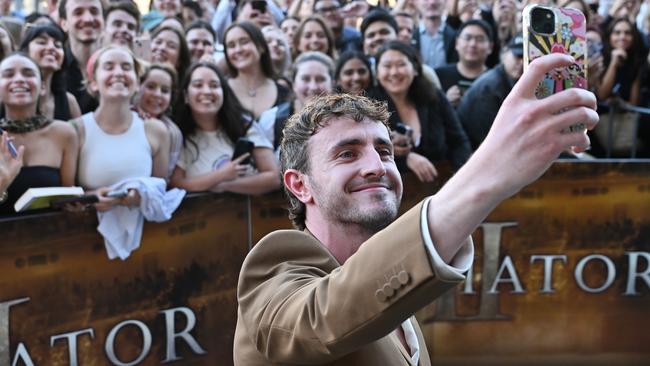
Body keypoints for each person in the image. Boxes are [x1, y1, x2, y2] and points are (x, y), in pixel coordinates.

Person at [233, 53, 599, 365]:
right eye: (347, 153)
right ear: (299, 184)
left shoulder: (397, 305)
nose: (376, 166)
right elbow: (319, 321)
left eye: (385, 151)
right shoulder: (274, 267)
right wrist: (491, 169)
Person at [73, 46, 170, 211]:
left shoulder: (157, 131)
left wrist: (141, 196)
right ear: (93, 83)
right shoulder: (76, 130)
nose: (118, 73)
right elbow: (65, 195)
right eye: (109, 67)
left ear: (138, 83)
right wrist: (91, 197)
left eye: (126, 67)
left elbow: (160, 189)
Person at [170, 62, 280, 194]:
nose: (207, 91)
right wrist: (221, 174)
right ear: (186, 96)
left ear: (224, 93)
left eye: (214, 85)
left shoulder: (243, 125)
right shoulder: (179, 134)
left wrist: (226, 186)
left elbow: (273, 177)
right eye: (198, 85)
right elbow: (176, 183)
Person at [370, 41, 471, 182]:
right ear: (377, 73)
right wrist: (406, 159)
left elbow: (459, 141)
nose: (394, 72)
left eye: (401, 65)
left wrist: (459, 177)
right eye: (387, 66)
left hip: (442, 183)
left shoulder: (434, 96)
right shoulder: (368, 106)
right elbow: (367, 155)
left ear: (416, 69)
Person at [0, 53, 78, 215]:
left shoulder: (64, 133)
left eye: (28, 74)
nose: (19, 79)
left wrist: (74, 205)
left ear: (43, 86)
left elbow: (68, 198)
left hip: (50, 236)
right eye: (8, 75)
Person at [257, 51, 336, 156]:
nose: (313, 87)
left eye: (320, 79)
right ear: (293, 83)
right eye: (305, 79)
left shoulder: (345, 120)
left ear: (332, 83)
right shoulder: (271, 119)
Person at [457, 35, 524, 150]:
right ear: (504, 54)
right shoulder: (490, 86)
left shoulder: (508, 81)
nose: (522, 62)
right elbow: (490, 139)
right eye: (518, 56)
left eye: (527, 58)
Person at [224, 21, 290, 119]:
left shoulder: (284, 93)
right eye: (231, 45)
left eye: (244, 42)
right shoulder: (221, 90)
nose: (238, 50)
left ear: (261, 47)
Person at [19, 23, 82, 121]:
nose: (51, 48)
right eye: (42, 42)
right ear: (25, 51)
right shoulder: (6, 97)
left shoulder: (69, 102)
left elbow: (80, 135)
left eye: (57, 45)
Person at [135, 63, 183, 179]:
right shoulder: (123, 116)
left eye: (165, 90)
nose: (157, 94)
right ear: (138, 86)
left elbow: (164, 179)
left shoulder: (173, 132)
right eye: (151, 87)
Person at [58, 0, 104, 114]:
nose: (88, 19)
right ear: (64, 24)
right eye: (78, 12)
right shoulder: (55, 69)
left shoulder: (118, 67)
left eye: (94, 11)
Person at [435, 19, 493, 107]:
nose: (473, 44)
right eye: (467, 38)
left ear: (490, 47)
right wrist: (445, 103)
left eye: (480, 39)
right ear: (457, 43)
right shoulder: (438, 76)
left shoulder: (495, 80)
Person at [598, 17, 645, 105]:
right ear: (610, 36)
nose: (622, 37)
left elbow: (633, 102)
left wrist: (622, 104)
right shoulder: (600, 57)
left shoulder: (637, 62)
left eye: (627, 33)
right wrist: (613, 63)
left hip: (623, 116)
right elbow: (602, 95)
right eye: (617, 32)